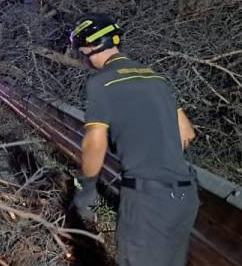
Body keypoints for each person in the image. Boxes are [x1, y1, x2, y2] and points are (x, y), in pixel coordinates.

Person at [70, 13, 198, 266]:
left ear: (89, 47)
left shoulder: (102, 83)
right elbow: (187, 133)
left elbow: (95, 143)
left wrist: (86, 187)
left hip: (147, 200)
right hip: (184, 196)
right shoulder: (156, 78)